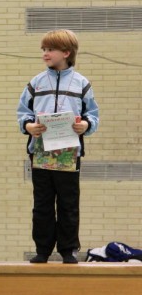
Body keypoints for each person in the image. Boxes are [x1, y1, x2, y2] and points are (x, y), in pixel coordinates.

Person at [17, 29, 99, 264]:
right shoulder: (36, 82)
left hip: (68, 154)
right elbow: (23, 111)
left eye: (50, 49)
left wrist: (86, 124)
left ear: (66, 52)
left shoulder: (81, 83)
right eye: (43, 49)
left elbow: (92, 114)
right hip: (40, 152)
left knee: (68, 202)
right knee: (42, 203)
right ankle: (42, 249)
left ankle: (68, 249)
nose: (45, 53)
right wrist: (28, 126)